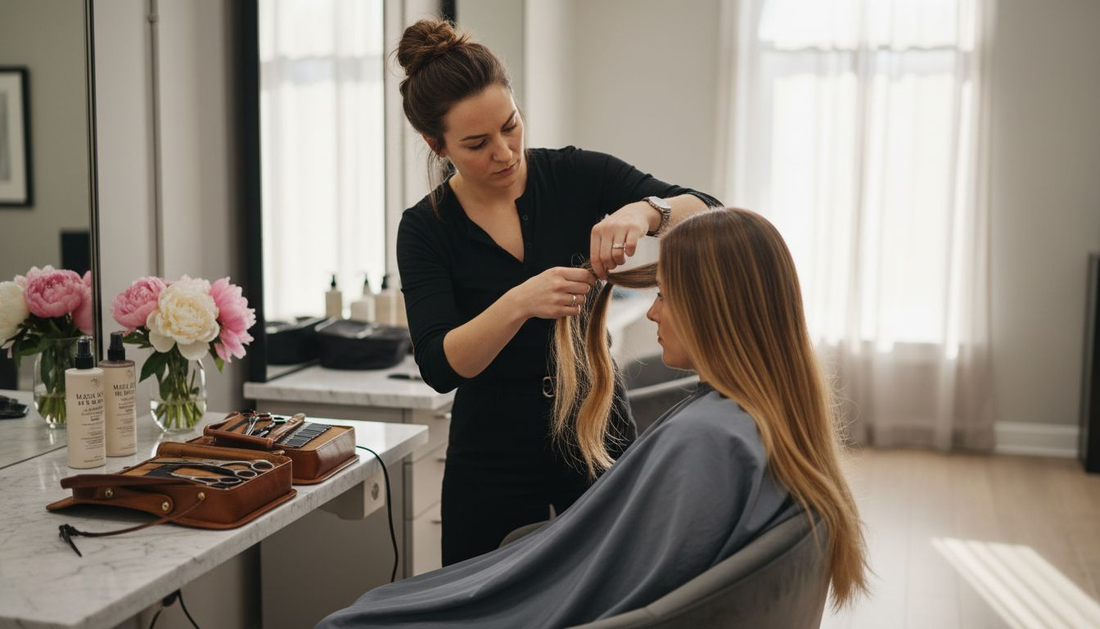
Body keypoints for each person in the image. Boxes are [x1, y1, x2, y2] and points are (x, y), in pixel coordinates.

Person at [317, 208, 869, 628]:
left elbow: (630, 595)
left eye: (665, 294)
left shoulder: (709, 442)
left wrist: (648, 210)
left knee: (356, 619)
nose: (651, 310)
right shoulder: (754, 423)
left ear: (713, 308)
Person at [394, 18, 721, 565]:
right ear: (436, 143)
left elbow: (709, 210)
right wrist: (520, 302)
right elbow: (440, 365)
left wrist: (646, 212)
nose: (504, 152)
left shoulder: (577, 175)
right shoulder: (426, 227)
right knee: (482, 596)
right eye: (476, 144)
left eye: (511, 125)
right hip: (490, 453)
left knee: (611, 582)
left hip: (596, 431)